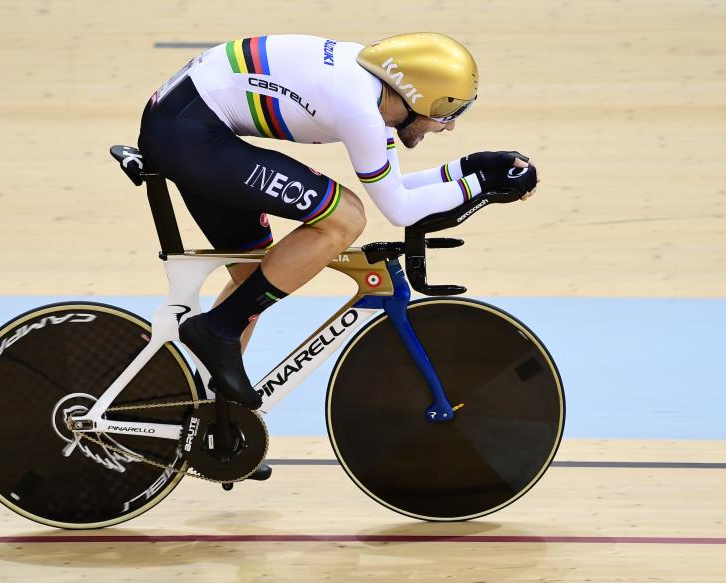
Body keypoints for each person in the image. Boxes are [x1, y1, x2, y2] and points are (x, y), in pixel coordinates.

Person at [138, 32, 539, 409]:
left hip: (185, 126)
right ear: (415, 95)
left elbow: (395, 186)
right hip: (189, 134)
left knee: (256, 277)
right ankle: (217, 330)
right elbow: (398, 210)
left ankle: (209, 413)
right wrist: (483, 185)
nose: (449, 125)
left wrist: (471, 169)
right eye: (447, 110)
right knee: (345, 218)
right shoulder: (359, 109)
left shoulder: (375, 91)